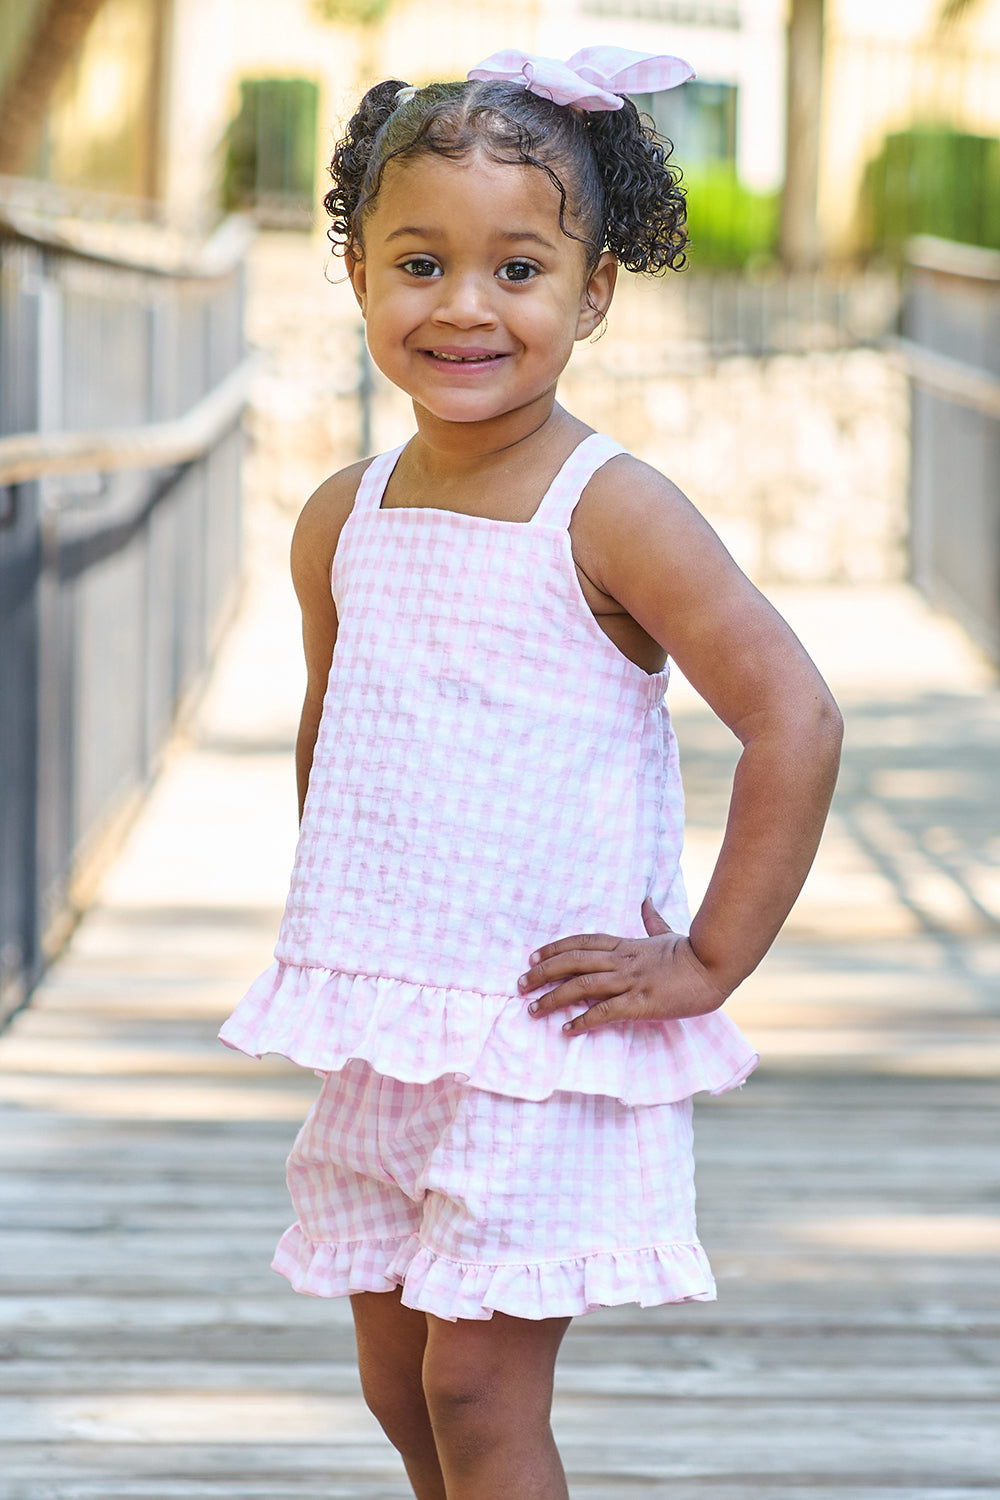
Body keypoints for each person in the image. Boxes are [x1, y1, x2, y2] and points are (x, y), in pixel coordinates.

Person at [220, 45, 843, 1500]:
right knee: (397, 1381)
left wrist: (708, 962)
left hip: (546, 1026)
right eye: (419, 261)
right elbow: (337, 725)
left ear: (595, 293)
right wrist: (346, 949)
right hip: (396, 1025)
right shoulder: (343, 513)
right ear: (359, 273)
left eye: (518, 268)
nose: (463, 307)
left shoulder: (612, 510)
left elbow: (794, 718)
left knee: (478, 1386)